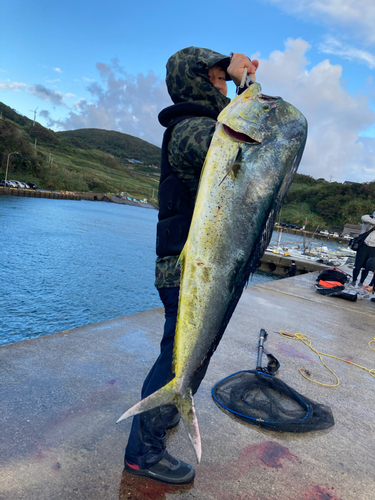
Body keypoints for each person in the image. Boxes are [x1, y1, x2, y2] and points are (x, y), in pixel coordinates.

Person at [124, 47, 259, 485]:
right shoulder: (191, 131)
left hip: (197, 271)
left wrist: (245, 86)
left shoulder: (204, 125)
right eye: (218, 79)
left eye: (225, 79)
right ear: (197, 81)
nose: (223, 86)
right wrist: (248, 90)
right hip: (188, 273)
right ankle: (143, 453)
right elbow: (244, 150)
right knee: (179, 362)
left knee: (186, 357)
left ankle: (162, 420)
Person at [350, 211, 375, 287]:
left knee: (367, 267)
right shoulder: (368, 218)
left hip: (373, 247)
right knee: (357, 265)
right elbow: (363, 217)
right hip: (363, 246)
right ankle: (353, 281)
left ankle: (361, 282)